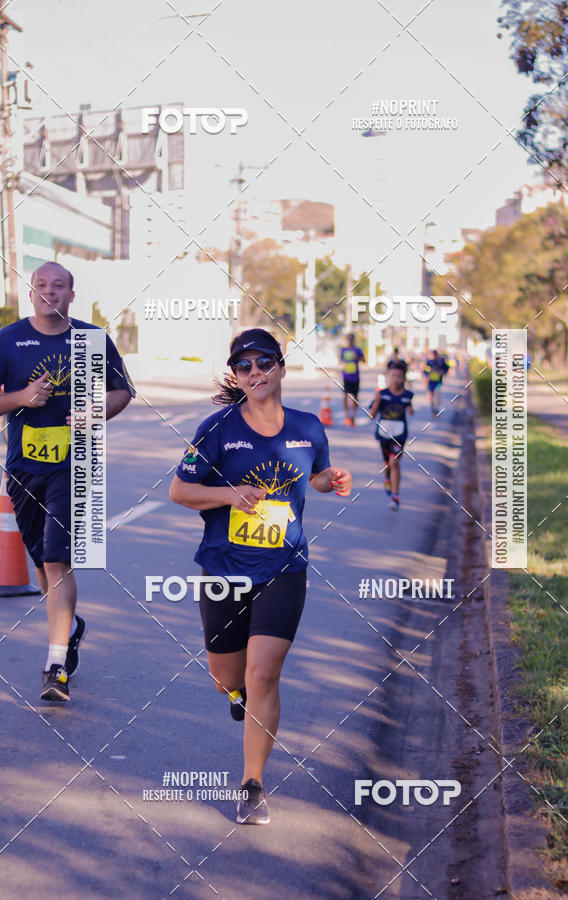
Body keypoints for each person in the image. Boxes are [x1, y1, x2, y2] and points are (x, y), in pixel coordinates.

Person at [169, 328, 351, 825]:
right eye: (244, 366)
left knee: (263, 672)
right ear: (236, 374)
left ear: (281, 367)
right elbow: (180, 491)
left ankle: (252, 784)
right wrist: (230, 495)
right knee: (227, 679)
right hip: (223, 569)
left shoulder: (308, 427)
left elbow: (316, 474)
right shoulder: (217, 429)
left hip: (283, 568)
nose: (255, 373)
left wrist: (331, 480)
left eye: (264, 362)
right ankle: (240, 698)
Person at [0, 262, 134, 702]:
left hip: (76, 466)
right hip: (24, 468)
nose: (49, 292)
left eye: (59, 286)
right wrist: (21, 397)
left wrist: (96, 411)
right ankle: (70, 627)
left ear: (72, 295)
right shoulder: (9, 339)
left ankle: (55, 666)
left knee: (58, 561)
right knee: (42, 562)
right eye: (41, 285)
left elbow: (122, 391)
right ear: (31, 293)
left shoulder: (91, 339)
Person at [370, 363, 414, 510]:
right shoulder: (382, 394)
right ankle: (387, 478)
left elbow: (410, 410)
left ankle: (395, 496)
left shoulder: (408, 395)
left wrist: (409, 406)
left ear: (404, 378)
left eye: (399, 376)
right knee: (387, 463)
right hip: (384, 432)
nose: (396, 379)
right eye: (393, 375)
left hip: (399, 434)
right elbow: (372, 415)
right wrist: (377, 401)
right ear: (389, 376)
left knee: (394, 462)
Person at [339, 333, 364, 426]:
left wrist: (358, 358)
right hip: (346, 376)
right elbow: (341, 359)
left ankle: (353, 416)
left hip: (355, 377)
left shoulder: (357, 350)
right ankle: (347, 416)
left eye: (351, 339)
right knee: (345, 396)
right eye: (348, 339)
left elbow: (363, 359)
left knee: (355, 397)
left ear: (354, 340)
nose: (350, 340)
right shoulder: (344, 350)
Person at [423, 349, 449, 416]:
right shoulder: (429, 362)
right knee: (431, 396)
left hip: (438, 381)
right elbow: (425, 371)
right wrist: (429, 372)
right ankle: (433, 409)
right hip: (430, 381)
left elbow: (446, 368)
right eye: (433, 355)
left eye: (435, 355)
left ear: (437, 355)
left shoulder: (441, 362)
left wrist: (443, 371)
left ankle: (436, 409)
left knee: (436, 394)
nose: (434, 356)